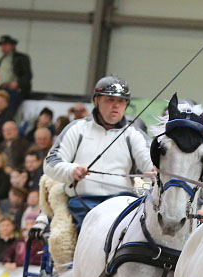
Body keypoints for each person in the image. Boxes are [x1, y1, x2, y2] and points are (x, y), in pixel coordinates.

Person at [43, 76, 153, 228]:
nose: (116, 106)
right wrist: (72, 170)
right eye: (110, 100)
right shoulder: (77, 128)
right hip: (84, 201)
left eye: (121, 101)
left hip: (122, 201)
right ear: (96, 101)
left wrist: (154, 170)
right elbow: (51, 162)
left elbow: (149, 162)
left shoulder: (134, 134)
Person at [0, 35, 33, 113]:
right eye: (1, 45)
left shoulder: (21, 58)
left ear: (12, 45)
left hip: (14, 90)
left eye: (5, 45)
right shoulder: (2, 59)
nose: (2, 47)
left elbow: (27, 75)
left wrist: (18, 83)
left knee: (8, 111)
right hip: (2, 89)